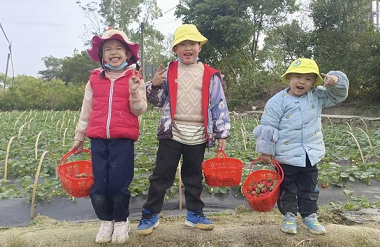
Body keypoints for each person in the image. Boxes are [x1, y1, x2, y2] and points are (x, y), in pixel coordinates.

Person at [136, 24, 231, 235]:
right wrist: (156, 84)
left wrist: (222, 131)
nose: (188, 48)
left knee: (193, 177)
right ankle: (149, 216)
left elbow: (218, 104)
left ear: (200, 48)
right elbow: (157, 101)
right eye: (182, 44)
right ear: (175, 49)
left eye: (192, 44)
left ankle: (194, 214)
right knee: (161, 176)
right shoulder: (168, 71)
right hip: (172, 132)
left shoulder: (210, 74)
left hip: (198, 134)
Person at [253, 58, 349, 235]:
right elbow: (268, 126)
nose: (302, 82)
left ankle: (309, 216)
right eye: (297, 76)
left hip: (309, 154)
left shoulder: (317, 96)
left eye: (308, 79)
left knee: (309, 187)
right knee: (287, 188)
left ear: (313, 83)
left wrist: (337, 79)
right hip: (285, 156)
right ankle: (289, 216)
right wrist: (266, 151)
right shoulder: (277, 101)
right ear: (289, 77)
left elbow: (338, 95)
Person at [70, 27, 147, 244]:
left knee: (118, 184)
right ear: (102, 55)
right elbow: (86, 109)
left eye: (119, 48)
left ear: (128, 54)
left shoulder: (134, 78)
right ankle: (106, 220)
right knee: (99, 185)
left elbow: (139, 110)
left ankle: (121, 221)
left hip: (122, 139)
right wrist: (79, 136)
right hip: (97, 139)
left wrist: (133, 91)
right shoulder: (95, 78)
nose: (114, 52)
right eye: (108, 49)